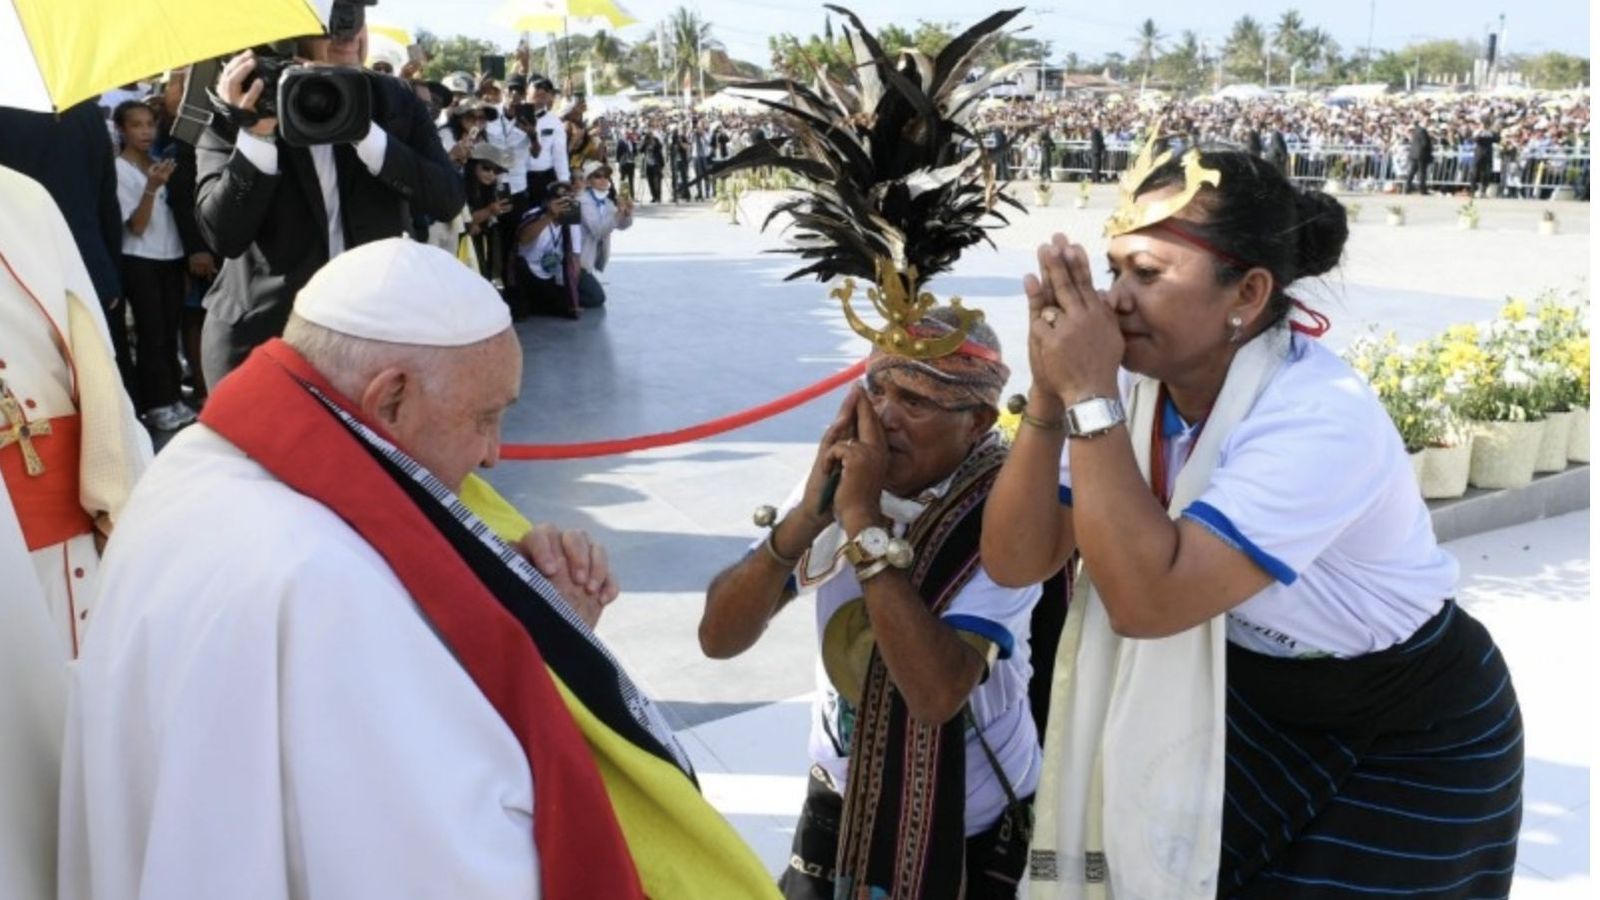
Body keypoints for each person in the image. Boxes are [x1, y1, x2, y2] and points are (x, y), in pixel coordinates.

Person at [58, 238, 781, 900]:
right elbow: (449, 861)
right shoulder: (321, 580)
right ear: (390, 398)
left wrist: (527, 611)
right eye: (486, 417)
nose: (494, 453)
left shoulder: (200, 461)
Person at [983, 140, 1522, 898]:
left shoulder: (1319, 416)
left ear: (1248, 292)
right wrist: (1050, 391)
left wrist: (1088, 396)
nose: (1114, 302)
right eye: (1113, 271)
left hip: (1404, 729)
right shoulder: (1133, 390)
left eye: (1148, 274)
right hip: (1254, 701)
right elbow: (1016, 560)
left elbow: (1147, 603)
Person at [700, 311, 1051, 900]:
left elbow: (936, 695)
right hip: (841, 798)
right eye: (877, 390)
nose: (884, 418)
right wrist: (807, 517)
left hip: (968, 821)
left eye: (914, 402)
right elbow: (718, 638)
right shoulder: (848, 478)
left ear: (978, 423)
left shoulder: (1010, 513)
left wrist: (862, 522)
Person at [2, 163, 151, 900]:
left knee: (74, 755)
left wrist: (121, 495)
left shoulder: (23, 198)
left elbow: (92, 355)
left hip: (67, 539)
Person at [194, 13, 466, 388]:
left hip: (374, 340)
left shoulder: (395, 99)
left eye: (355, 13)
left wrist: (363, 132)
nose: (348, 33)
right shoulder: (246, 100)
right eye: (331, 19)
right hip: (264, 343)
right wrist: (256, 137)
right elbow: (224, 236)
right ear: (291, 30)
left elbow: (447, 200)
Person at [0, 102, 134, 401]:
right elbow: (106, 201)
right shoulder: (86, 112)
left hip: (22, 274)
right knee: (101, 386)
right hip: (89, 266)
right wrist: (110, 272)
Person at [112, 101, 194, 432]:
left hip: (171, 255)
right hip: (139, 258)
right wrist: (151, 188)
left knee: (170, 330)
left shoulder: (160, 161)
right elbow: (136, 226)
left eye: (150, 124)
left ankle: (173, 396)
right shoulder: (119, 169)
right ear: (121, 129)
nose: (146, 131)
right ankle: (156, 403)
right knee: (151, 333)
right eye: (136, 125)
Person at [574, 161, 633, 306]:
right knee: (597, 298)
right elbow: (598, 230)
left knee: (595, 296)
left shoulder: (607, 202)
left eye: (606, 176)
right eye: (598, 176)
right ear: (588, 181)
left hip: (587, 263)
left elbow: (622, 226)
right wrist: (618, 214)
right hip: (576, 263)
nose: (604, 179)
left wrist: (627, 213)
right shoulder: (583, 201)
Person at [525, 78, 570, 202]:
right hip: (516, 178)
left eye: (546, 89)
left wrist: (564, 181)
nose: (542, 91)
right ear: (527, 90)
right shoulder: (513, 116)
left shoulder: (554, 122)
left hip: (543, 178)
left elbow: (560, 155)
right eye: (538, 86)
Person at [1405, 119, 1434, 195]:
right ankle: (1422, 189)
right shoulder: (1423, 131)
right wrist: (1430, 147)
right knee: (1422, 172)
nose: (1428, 124)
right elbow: (1425, 143)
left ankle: (1407, 188)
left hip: (1414, 154)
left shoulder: (1416, 130)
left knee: (1412, 172)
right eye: (1427, 122)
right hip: (1421, 155)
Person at [642, 130, 666, 204]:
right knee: (650, 182)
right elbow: (640, 150)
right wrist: (645, 142)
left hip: (656, 164)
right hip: (649, 164)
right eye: (649, 136)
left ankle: (658, 197)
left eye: (651, 135)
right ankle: (654, 196)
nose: (650, 137)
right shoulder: (646, 142)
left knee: (657, 181)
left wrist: (654, 141)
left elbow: (660, 147)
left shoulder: (656, 141)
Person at [615, 129, 638, 198]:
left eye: (630, 134)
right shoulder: (621, 142)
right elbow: (618, 153)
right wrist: (618, 163)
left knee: (631, 180)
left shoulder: (632, 142)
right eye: (628, 134)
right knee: (623, 179)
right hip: (623, 163)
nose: (629, 135)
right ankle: (623, 196)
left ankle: (632, 196)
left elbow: (635, 152)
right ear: (625, 134)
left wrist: (634, 143)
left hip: (631, 163)